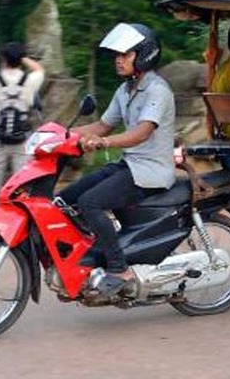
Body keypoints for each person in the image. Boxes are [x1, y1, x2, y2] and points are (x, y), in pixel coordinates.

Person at [58, 22, 176, 296]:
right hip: (129, 165)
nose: (118, 60)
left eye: (125, 54)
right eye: (117, 55)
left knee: (90, 203)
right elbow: (101, 126)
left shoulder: (158, 90)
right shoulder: (125, 90)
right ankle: (95, 250)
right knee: (65, 200)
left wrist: (105, 143)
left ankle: (118, 268)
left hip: (150, 172)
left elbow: (142, 133)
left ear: (144, 54)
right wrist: (59, 134)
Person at [0, 42, 45, 205]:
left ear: (2, 59)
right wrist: (23, 58)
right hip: (22, 139)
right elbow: (39, 70)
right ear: (21, 59)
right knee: (23, 181)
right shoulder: (30, 80)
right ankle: (25, 215)